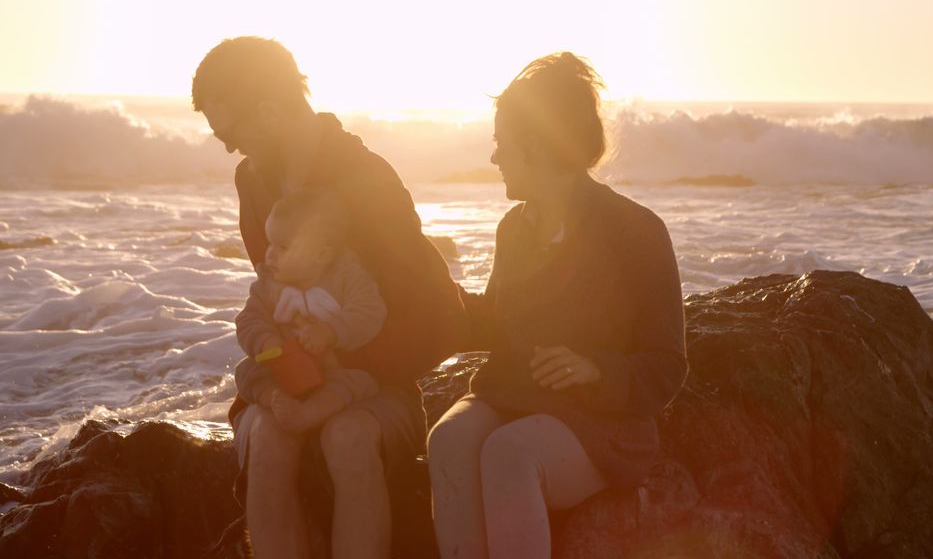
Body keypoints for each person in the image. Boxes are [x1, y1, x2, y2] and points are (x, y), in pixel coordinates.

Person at [192, 36, 466, 559]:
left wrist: (338, 372)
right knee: (271, 437)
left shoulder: (367, 180)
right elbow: (270, 297)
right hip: (289, 375)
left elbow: (440, 315)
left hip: (373, 382)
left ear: (269, 110)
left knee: (344, 436)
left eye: (231, 133)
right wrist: (284, 374)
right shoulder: (252, 179)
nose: (229, 148)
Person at [427, 52, 689, 559]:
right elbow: (497, 326)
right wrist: (435, 289)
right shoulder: (514, 229)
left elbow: (667, 364)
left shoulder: (636, 232)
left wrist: (594, 369)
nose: (495, 157)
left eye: (502, 142)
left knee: (509, 453)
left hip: (602, 419)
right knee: (449, 439)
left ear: (540, 144)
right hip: (516, 397)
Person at [234, 189, 386, 437]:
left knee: (358, 381)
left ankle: (306, 415)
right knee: (246, 371)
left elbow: (369, 312)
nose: (270, 253)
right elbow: (248, 320)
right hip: (284, 367)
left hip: (333, 366)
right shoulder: (267, 286)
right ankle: (275, 400)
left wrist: (330, 331)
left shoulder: (348, 277)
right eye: (270, 242)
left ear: (321, 255)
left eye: (283, 246)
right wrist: (267, 342)